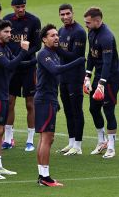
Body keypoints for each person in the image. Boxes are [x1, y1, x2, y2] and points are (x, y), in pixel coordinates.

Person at [35, 24, 85, 186]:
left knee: (46, 138)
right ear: (44, 39)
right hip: (45, 100)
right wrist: (78, 62)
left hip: (48, 99)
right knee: (47, 138)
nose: (56, 37)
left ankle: (43, 175)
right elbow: (56, 70)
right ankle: (45, 177)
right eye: (52, 35)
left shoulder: (54, 53)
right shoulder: (44, 54)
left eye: (57, 35)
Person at [0, 20, 29, 180]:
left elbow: (16, 64)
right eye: (6, 32)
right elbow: (10, 65)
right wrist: (23, 51)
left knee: (1, 130)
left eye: (10, 32)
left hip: (2, 93)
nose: (10, 35)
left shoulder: (4, 47)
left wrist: (38, 62)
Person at [3, 0, 41, 151]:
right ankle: (8, 139)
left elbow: (37, 45)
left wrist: (24, 55)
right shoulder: (7, 20)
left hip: (28, 67)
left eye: (23, 6)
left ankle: (30, 140)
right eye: (18, 6)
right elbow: (4, 42)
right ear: (12, 6)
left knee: (30, 103)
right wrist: (13, 58)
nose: (20, 9)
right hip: (12, 68)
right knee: (10, 101)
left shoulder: (34, 21)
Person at [83, 7, 119, 158]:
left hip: (110, 78)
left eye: (88, 22)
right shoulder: (91, 32)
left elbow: (107, 63)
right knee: (93, 108)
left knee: (108, 110)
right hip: (99, 76)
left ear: (97, 21)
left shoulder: (106, 37)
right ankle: (101, 141)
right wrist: (87, 76)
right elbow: (91, 55)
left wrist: (101, 84)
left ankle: (111, 147)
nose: (86, 24)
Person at [55, 4, 87, 155]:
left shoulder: (79, 32)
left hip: (75, 77)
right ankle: (71, 142)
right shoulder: (61, 31)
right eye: (62, 14)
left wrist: (57, 49)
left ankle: (78, 146)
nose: (65, 17)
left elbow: (76, 56)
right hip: (63, 76)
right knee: (68, 110)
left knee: (76, 110)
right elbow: (62, 55)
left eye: (68, 14)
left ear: (73, 13)